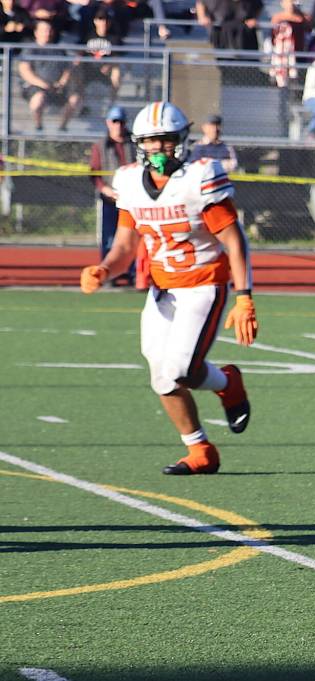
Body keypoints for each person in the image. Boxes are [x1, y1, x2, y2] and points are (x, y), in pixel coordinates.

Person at [78, 101, 257, 475]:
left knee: (180, 368)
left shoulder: (199, 178)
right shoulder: (128, 181)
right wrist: (104, 269)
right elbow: (126, 246)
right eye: (151, 141)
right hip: (162, 290)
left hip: (203, 284)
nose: (159, 148)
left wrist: (244, 298)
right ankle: (200, 450)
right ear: (139, 143)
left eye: (166, 140)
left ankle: (227, 383)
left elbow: (234, 240)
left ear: (182, 140)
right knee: (161, 375)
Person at [90, 105, 134, 280]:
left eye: (121, 122)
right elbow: (94, 173)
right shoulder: (100, 146)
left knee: (131, 237)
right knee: (109, 238)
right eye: (115, 122)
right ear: (108, 123)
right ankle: (108, 274)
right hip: (109, 200)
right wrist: (105, 189)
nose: (118, 126)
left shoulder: (135, 143)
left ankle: (131, 273)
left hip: (132, 200)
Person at [18, 20, 81, 132]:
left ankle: (62, 128)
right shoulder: (30, 49)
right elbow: (25, 71)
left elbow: (67, 69)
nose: (47, 33)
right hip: (37, 87)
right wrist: (44, 85)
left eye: (49, 30)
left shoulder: (59, 50)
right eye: (43, 30)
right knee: (38, 100)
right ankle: (39, 127)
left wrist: (62, 82)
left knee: (75, 98)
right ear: (36, 33)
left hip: (58, 87)